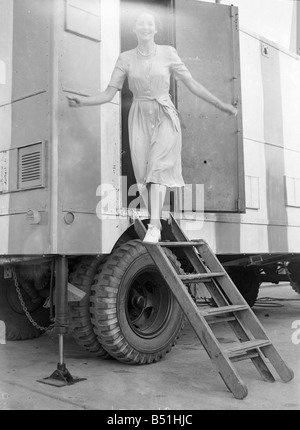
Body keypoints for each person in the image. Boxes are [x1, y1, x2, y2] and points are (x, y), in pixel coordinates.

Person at [67, 11, 237, 244]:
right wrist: (83, 101)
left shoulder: (168, 53)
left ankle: (155, 225)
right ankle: (157, 217)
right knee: (145, 176)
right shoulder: (125, 58)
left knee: (157, 168)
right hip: (138, 117)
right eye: (141, 24)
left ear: (155, 29)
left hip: (164, 114)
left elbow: (191, 84)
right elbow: (109, 93)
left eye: (150, 24)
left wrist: (220, 104)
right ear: (134, 29)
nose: (145, 27)